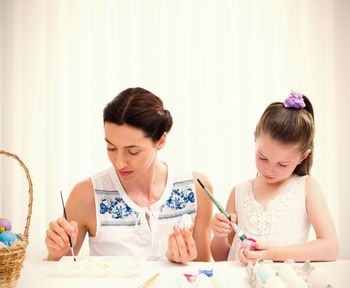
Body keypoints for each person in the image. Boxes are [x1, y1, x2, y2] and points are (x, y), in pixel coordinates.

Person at [45, 87, 213, 264]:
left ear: (161, 141)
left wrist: (183, 263)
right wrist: (56, 253)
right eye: (111, 148)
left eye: (132, 151)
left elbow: (204, 271)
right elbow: (59, 274)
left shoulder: (197, 188)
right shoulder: (86, 195)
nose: (119, 163)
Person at [211, 91, 339, 264]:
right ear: (254, 139)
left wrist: (272, 254)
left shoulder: (306, 187)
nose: (269, 170)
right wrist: (219, 235)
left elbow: (330, 248)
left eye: (282, 164)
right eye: (262, 157)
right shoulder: (239, 192)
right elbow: (222, 258)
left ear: (303, 156)